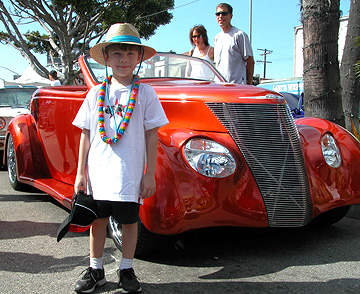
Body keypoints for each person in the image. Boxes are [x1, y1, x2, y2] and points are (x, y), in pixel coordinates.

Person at [72, 23, 169, 293]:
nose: (123, 59)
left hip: (130, 172)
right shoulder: (95, 93)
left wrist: (149, 173)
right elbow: (86, 134)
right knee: (98, 220)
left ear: (139, 57)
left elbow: (152, 135)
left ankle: (126, 268)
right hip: (99, 172)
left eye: (129, 53)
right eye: (117, 53)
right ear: (106, 58)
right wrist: (80, 172)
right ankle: (95, 269)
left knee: (129, 222)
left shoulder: (146, 93)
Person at [214, 3, 255, 84]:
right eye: (218, 14)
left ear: (231, 16)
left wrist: (249, 82)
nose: (220, 16)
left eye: (224, 13)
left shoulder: (239, 35)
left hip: (236, 86)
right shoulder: (217, 38)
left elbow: (250, 60)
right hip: (219, 86)